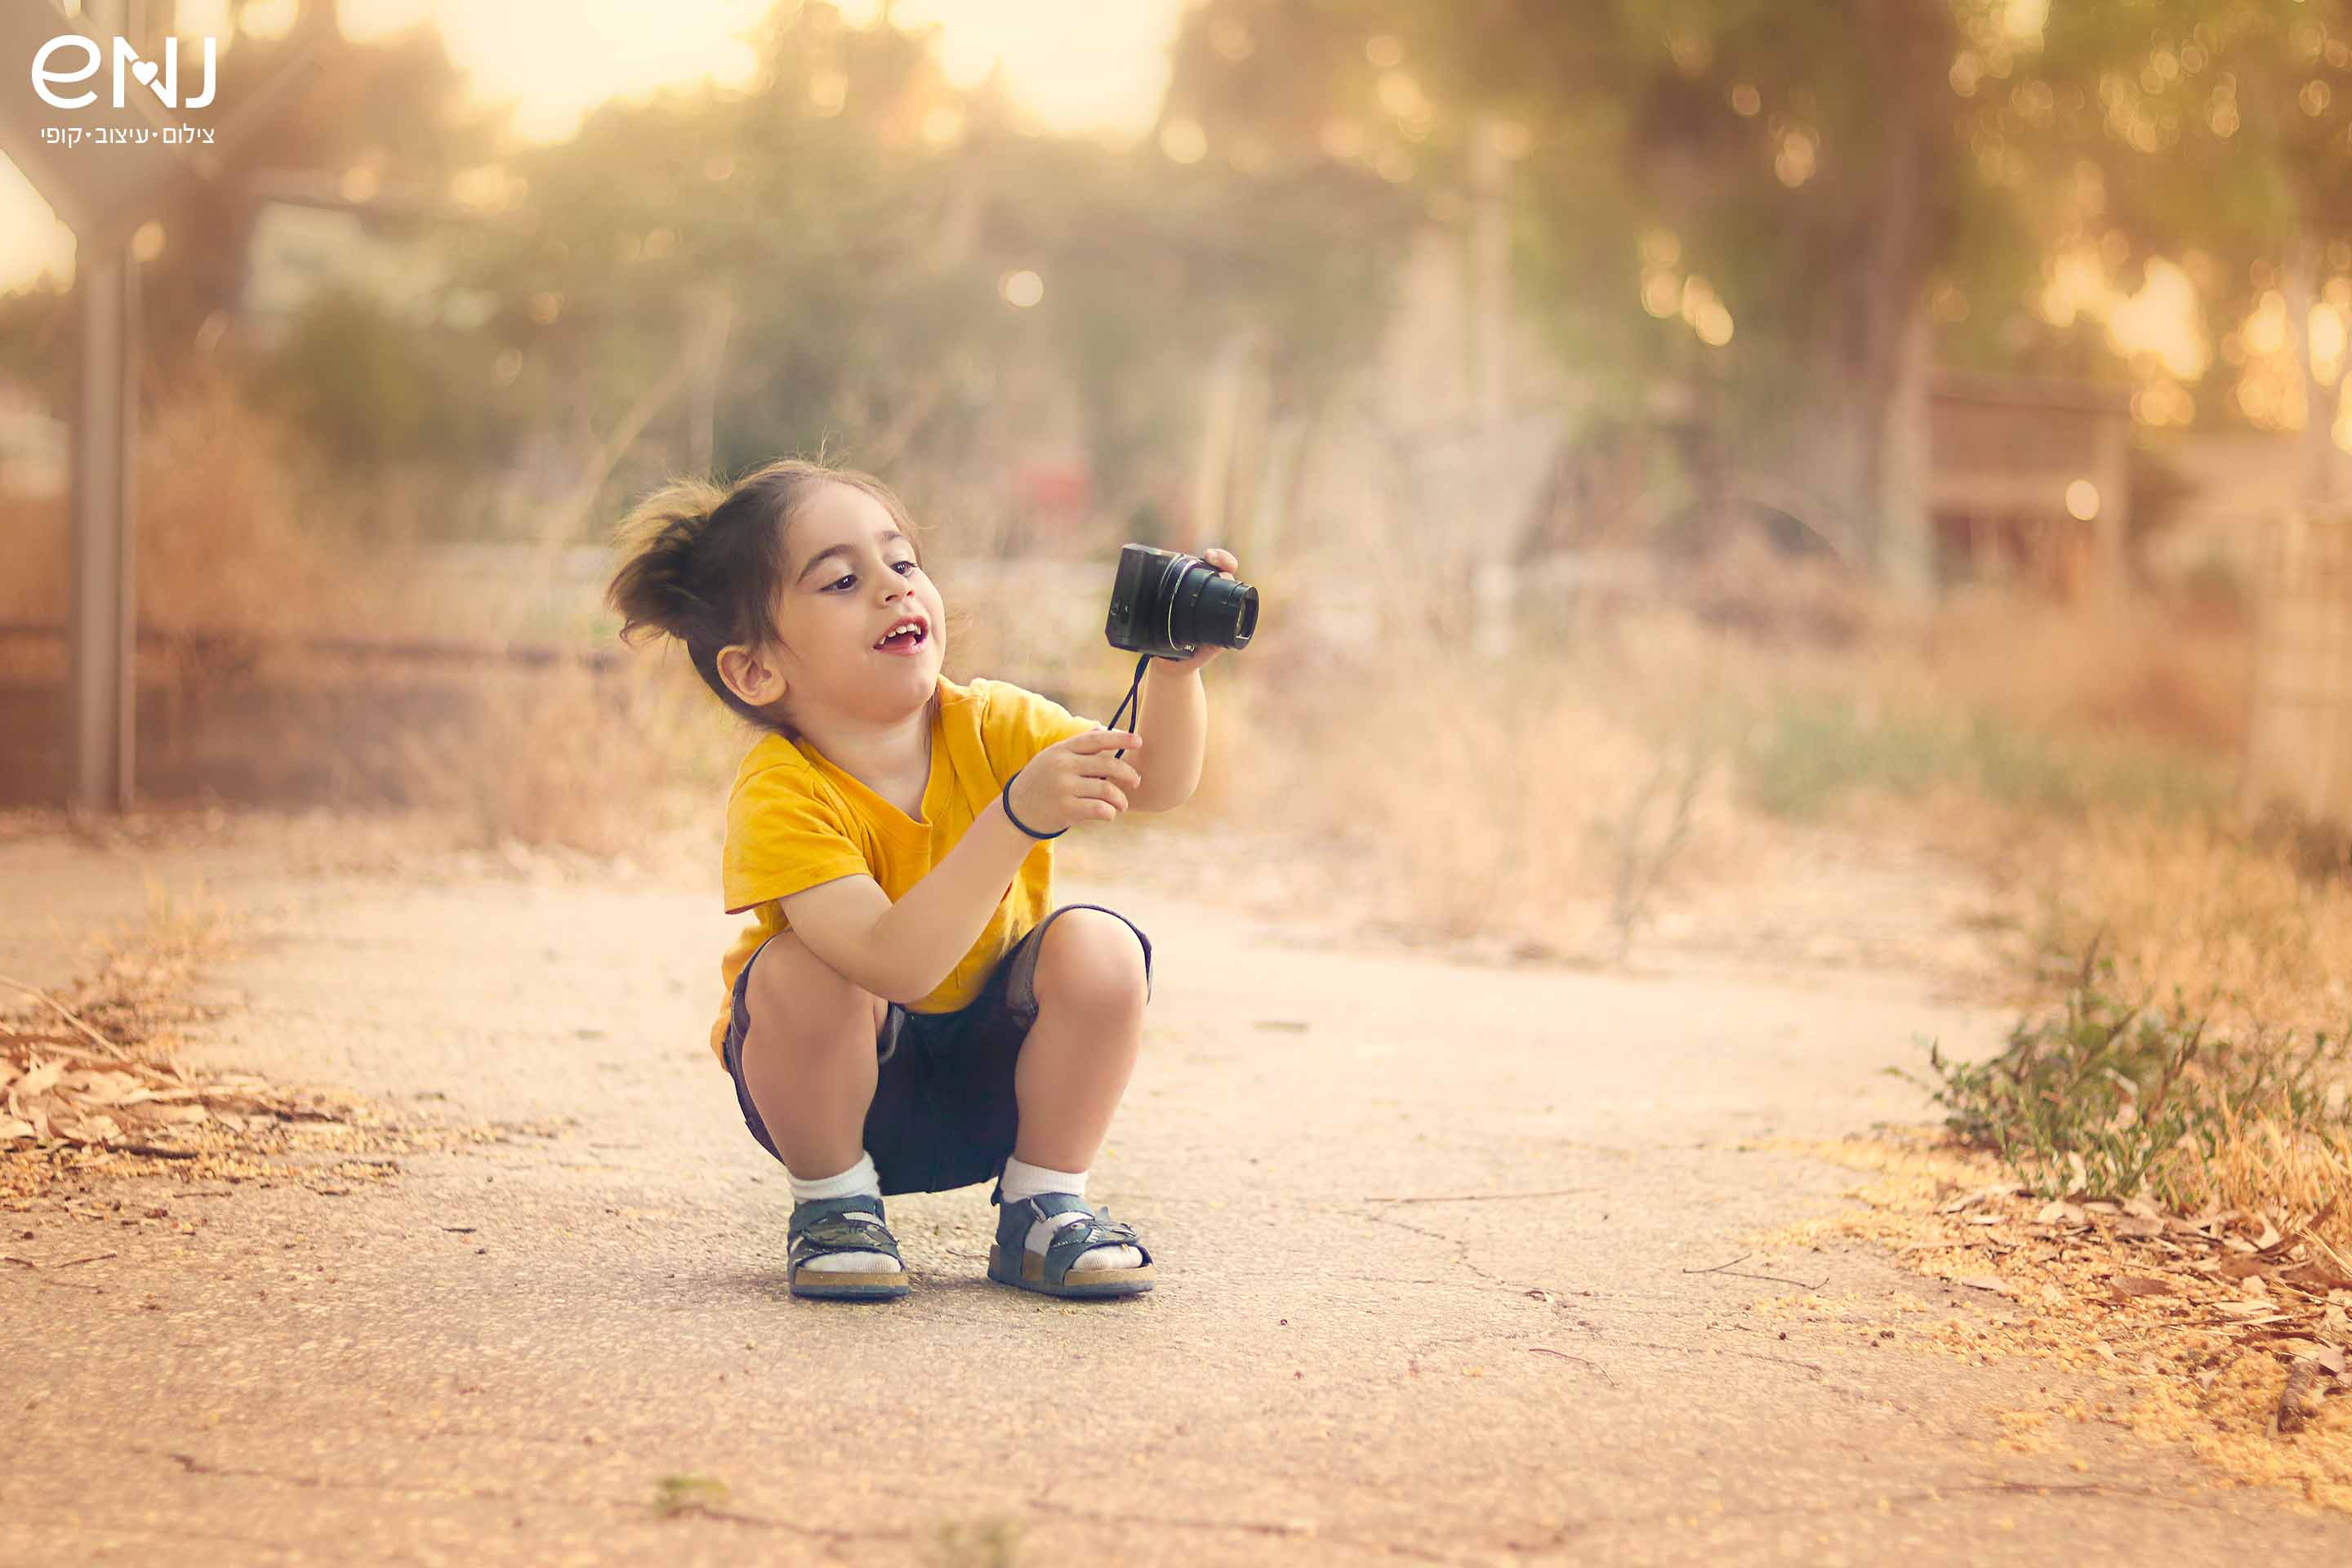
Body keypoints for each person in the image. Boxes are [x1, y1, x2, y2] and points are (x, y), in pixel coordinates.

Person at [604, 458, 1235, 1302]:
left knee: (1102, 946)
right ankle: (834, 1211)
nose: (894, 590)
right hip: (854, 1097)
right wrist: (1013, 818)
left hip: (999, 1081)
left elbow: (1153, 783)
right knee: (796, 970)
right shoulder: (783, 792)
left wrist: (1174, 674)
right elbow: (892, 962)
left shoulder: (992, 721)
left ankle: (1044, 1208)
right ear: (757, 670)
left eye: (902, 564)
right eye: (840, 580)